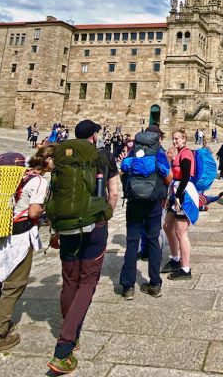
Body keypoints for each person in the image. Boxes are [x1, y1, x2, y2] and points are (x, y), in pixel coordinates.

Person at [47, 119, 119, 374]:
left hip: (66, 224)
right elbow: (113, 193)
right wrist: (107, 213)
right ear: (95, 136)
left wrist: (55, 227)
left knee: (69, 279)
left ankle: (71, 332)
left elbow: (55, 192)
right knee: (88, 281)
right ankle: (65, 345)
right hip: (95, 224)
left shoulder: (62, 156)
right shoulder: (103, 156)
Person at [0, 146, 53, 355]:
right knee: (14, 285)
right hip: (20, 237)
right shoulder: (39, 181)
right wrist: (46, 210)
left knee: (0, 280)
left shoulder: (20, 174)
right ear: (48, 161)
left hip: (4, 232)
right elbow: (33, 212)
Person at [119, 125, 170, 300]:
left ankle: (127, 287)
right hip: (153, 202)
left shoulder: (135, 150)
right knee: (153, 240)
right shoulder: (159, 152)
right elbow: (169, 177)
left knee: (132, 241)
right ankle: (155, 284)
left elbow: (123, 171)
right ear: (157, 138)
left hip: (134, 201)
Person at [162, 128, 196, 280]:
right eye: (173, 138)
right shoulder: (177, 153)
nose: (174, 141)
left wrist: (179, 195)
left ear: (184, 139)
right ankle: (176, 259)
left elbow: (186, 175)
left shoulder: (186, 153)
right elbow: (172, 175)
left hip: (183, 193)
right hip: (174, 192)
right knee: (167, 226)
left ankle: (185, 268)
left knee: (181, 232)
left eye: (177, 138)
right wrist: (169, 160)